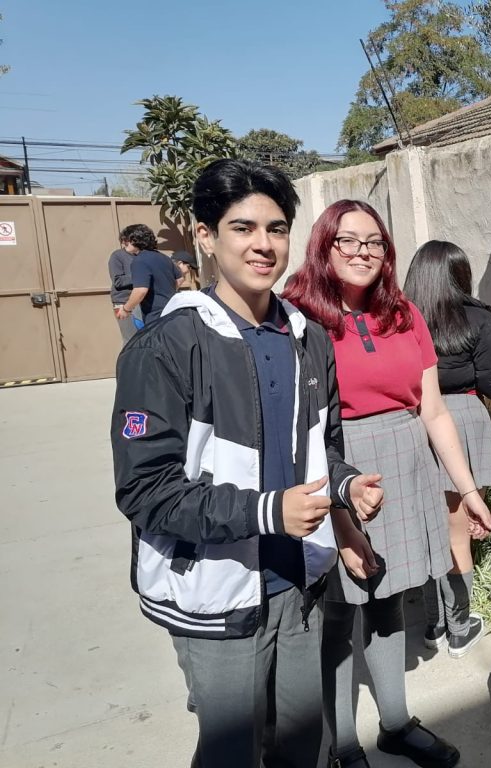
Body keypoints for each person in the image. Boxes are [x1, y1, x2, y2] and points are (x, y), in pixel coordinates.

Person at [111, 159, 384, 768]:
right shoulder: (167, 346)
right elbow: (145, 490)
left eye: (278, 228)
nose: (264, 244)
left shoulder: (308, 336)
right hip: (215, 589)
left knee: (301, 744)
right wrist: (267, 510)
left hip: (298, 582)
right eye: (242, 227)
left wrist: (344, 489)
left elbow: (323, 444)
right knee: (232, 751)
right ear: (204, 237)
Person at [283, 201, 491, 768]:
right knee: (335, 610)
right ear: (323, 246)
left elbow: (435, 413)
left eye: (373, 242)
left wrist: (467, 489)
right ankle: (342, 747)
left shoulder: (404, 315)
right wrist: (340, 512)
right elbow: (298, 426)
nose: (361, 253)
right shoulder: (298, 317)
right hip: (334, 462)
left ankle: (396, 724)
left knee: (388, 598)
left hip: (405, 461)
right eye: (346, 241)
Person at [404, 240, 491, 657]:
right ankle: (459, 625)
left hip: (415, 421)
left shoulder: (400, 318)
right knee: (459, 532)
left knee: (430, 526)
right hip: (462, 420)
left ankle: (433, 623)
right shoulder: (477, 316)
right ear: (460, 275)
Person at [115, 224, 179, 326]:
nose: (123, 242)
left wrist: (126, 309)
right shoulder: (164, 257)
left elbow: (140, 290)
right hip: (173, 310)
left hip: (155, 316)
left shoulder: (139, 261)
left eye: (126, 239)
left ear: (136, 239)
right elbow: (179, 279)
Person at [109, 227, 141, 343]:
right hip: (123, 302)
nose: (124, 243)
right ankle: (128, 361)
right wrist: (141, 275)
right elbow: (118, 281)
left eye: (126, 240)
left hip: (143, 301)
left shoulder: (144, 255)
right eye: (123, 241)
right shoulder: (117, 256)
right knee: (131, 340)